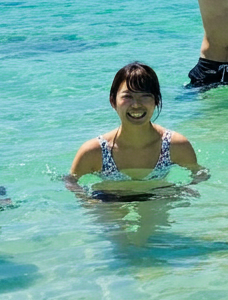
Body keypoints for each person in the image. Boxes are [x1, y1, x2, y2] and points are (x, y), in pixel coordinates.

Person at [69, 62, 202, 198]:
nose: (136, 105)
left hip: (157, 196)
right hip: (110, 200)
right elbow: (71, 181)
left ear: (156, 100)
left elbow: (199, 174)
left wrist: (185, 192)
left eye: (145, 96)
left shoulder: (174, 145)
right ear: (113, 101)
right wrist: (88, 202)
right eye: (127, 96)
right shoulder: (94, 151)